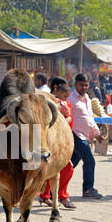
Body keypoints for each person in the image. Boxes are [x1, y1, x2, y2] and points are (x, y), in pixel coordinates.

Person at [37, 77, 76, 209]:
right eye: (64, 96)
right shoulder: (52, 102)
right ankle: (62, 197)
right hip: (54, 143)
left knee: (53, 171)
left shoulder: (62, 103)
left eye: (67, 97)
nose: (65, 99)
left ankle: (46, 196)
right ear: (55, 90)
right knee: (66, 169)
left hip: (61, 142)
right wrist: (69, 117)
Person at [68, 74, 104, 199]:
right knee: (90, 160)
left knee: (70, 165)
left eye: (86, 85)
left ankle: (51, 190)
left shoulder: (87, 98)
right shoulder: (70, 99)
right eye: (81, 85)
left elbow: (89, 118)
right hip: (75, 134)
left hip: (84, 136)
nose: (84, 87)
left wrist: (97, 134)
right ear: (75, 85)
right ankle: (88, 189)